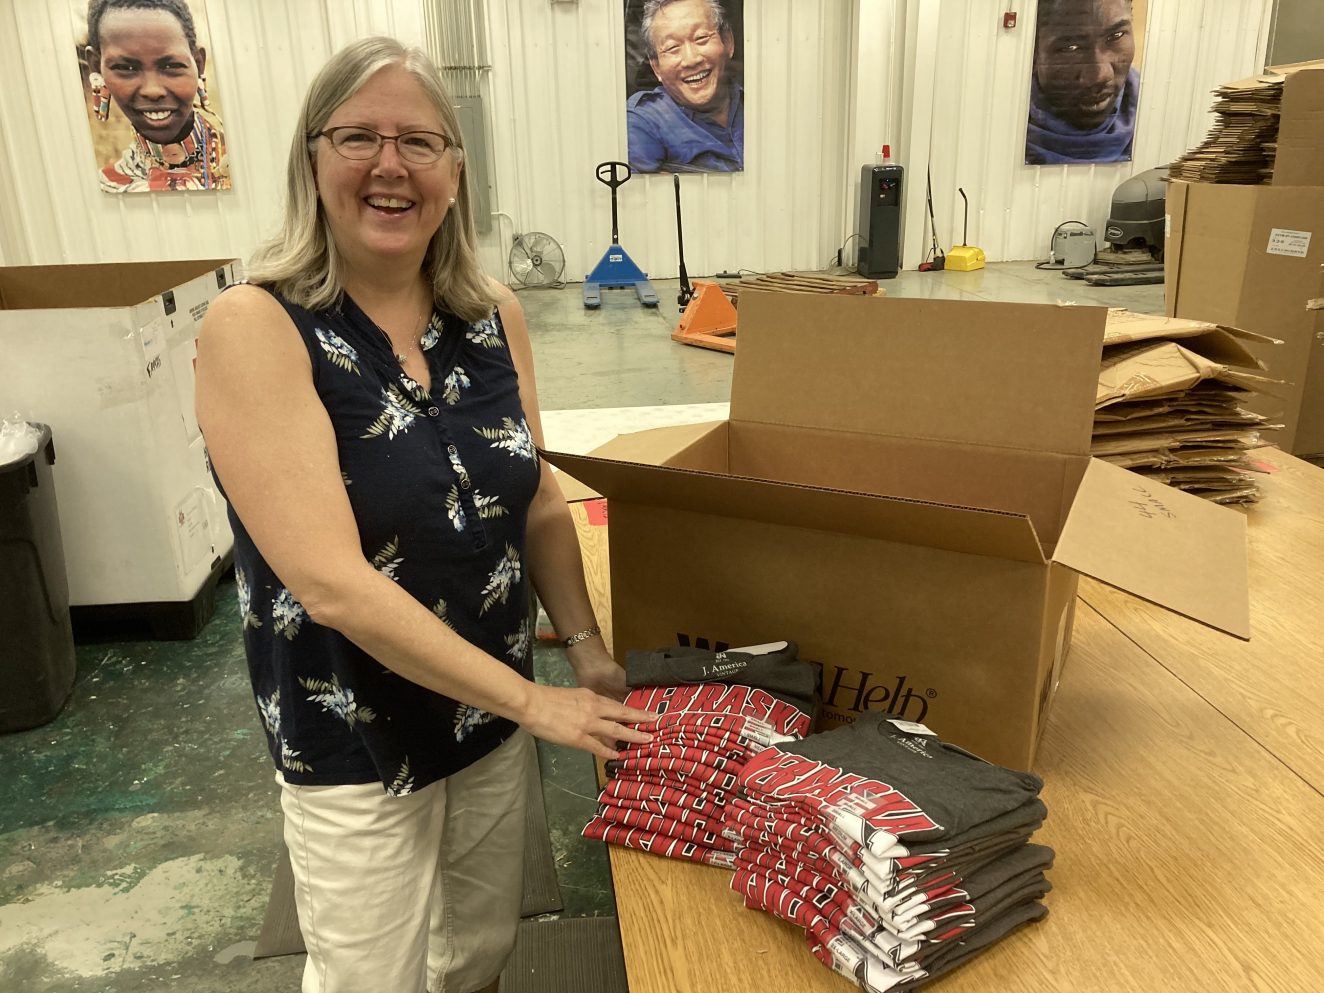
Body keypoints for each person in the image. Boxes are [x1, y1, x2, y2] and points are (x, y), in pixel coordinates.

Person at [194, 36, 655, 993]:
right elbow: (330, 584)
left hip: (489, 710)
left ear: (454, 169)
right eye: (358, 137)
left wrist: (586, 648)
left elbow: (536, 496)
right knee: (373, 977)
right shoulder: (258, 325)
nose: (390, 165)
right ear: (312, 158)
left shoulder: (491, 315)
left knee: (478, 952)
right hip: (354, 729)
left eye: (419, 141)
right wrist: (537, 703)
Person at [84, 0, 229, 191]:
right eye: (126, 68)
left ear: (198, 63)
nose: (152, 91)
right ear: (97, 68)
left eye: (171, 66)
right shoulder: (105, 187)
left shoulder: (246, 157)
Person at [627, 0, 744, 173]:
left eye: (701, 38)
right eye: (672, 48)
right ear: (656, 66)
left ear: (728, 42)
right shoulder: (644, 122)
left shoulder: (758, 102)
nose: (691, 60)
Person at [1025, 0, 1139, 165]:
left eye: (1116, 36)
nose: (1100, 76)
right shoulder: (998, 125)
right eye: (1070, 48)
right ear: (1033, 52)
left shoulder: (1157, 111)